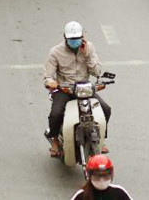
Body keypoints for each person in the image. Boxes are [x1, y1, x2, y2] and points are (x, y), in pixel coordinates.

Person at [43, 21, 111, 158]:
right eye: (72, 39)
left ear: (82, 37)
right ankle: (55, 139)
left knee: (106, 109)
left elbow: (97, 71)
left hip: (84, 88)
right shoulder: (55, 52)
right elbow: (47, 76)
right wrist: (51, 82)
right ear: (65, 37)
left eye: (77, 38)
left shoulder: (89, 48)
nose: (75, 41)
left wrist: (86, 55)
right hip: (65, 89)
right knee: (56, 113)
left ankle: (101, 140)